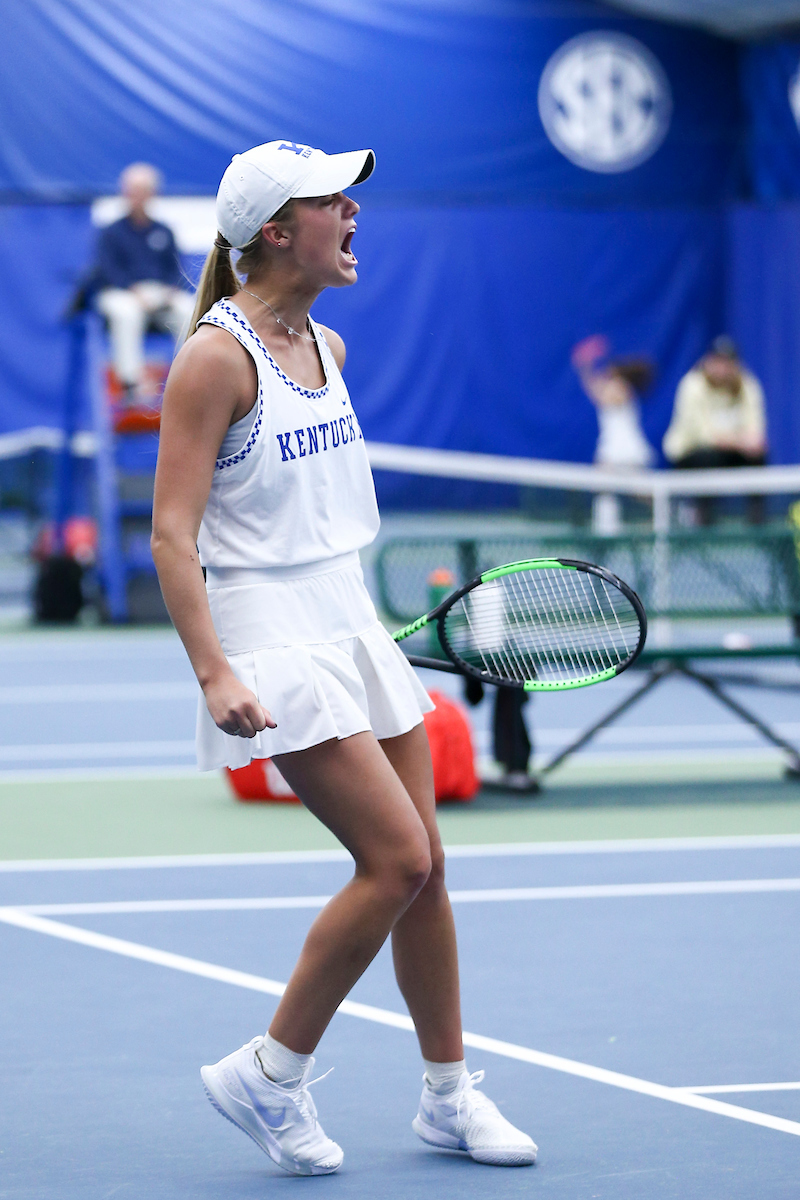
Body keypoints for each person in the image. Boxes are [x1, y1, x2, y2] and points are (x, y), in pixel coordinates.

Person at [151, 140, 537, 1177]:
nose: (354, 217)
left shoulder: (329, 346)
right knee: (395, 860)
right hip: (268, 636)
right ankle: (268, 1078)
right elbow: (169, 536)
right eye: (334, 204)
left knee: (429, 871)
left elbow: (318, 521)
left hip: (349, 616)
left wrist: (359, 615)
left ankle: (447, 1099)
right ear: (276, 230)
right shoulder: (213, 357)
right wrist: (214, 673)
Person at [93, 163, 194, 397]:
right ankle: (131, 382)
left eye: (142, 190)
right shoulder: (111, 232)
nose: (137, 196)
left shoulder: (164, 231)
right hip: (121, 294)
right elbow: (107, 270)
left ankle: (190, 378)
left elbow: (175, 269)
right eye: (132, 190)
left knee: (189, 308)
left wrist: (169, 291)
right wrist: (133, 290)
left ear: (152, 193)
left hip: (158, 295)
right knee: (126, 312)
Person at [663, 336, 767, 524]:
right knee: (709, 457)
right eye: (717, 361)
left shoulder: (747, 384)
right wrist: (741, 441)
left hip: (730, 452)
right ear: (708, 361)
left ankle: (758, 526)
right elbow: (705, 436)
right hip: (690, 456)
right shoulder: (692, 385)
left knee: (758, 458)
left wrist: (749, 443)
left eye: (727, 362)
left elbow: (756, 433)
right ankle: (703, 524)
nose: (722, 369)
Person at [572, 334, 655, 533]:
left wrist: (585, 365)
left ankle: (675, 515)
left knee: (643, 493)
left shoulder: (620, 388)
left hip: (626, 452)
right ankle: (607, 529)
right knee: (606, 490)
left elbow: (598, 393)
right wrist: (584, 365)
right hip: (612, 451)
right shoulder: (617, 386)